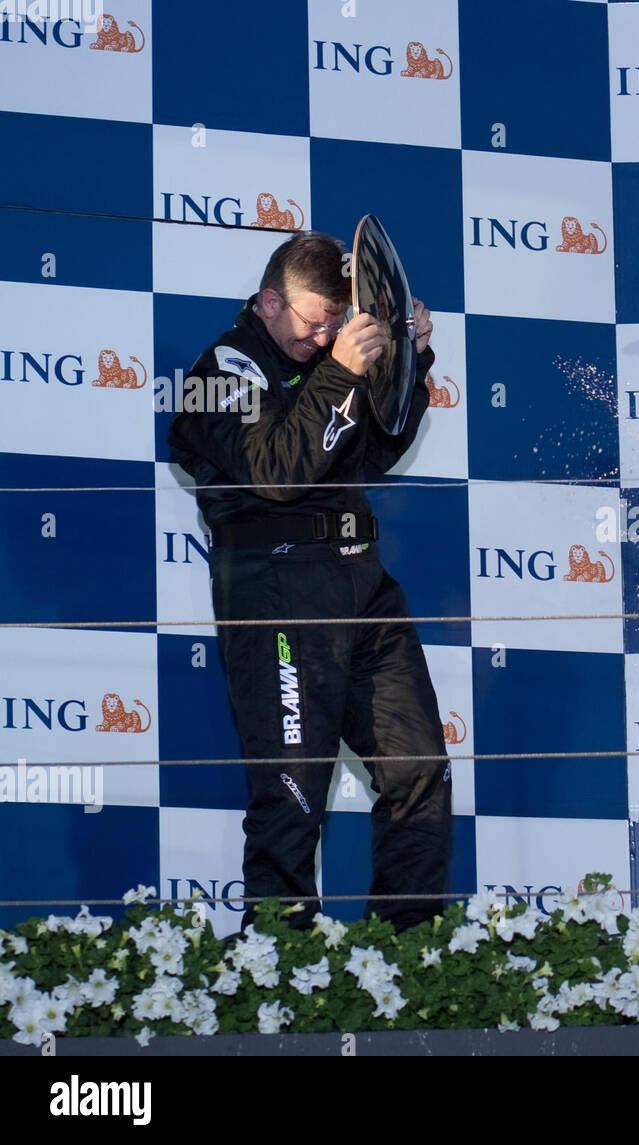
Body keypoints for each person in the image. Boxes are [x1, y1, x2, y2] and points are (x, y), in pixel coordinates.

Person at [169, 230, 453, 931]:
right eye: (312, 319)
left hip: (363, 581)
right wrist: (342, 373)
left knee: (418, 771)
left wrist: (408, 365)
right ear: (270, 302)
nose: (325, 333)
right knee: (293, 792)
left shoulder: (330, 363)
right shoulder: (221, 369)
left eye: (335, 320)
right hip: (278, 590)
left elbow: (376, 452)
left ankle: (406, 958)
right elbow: (277, 474)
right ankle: (279, 977)